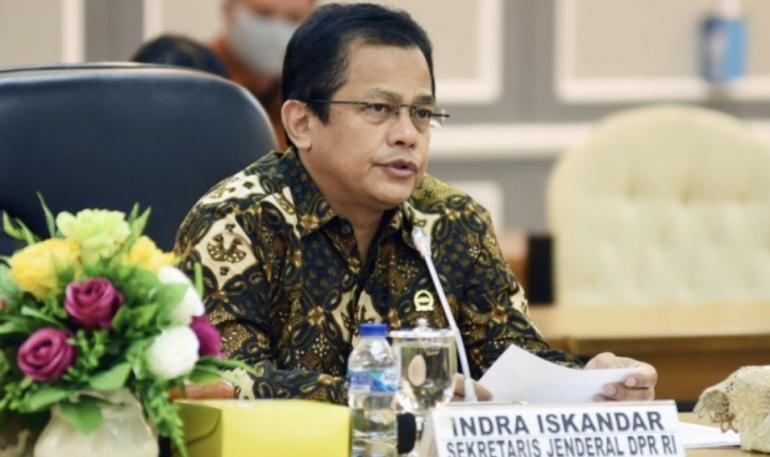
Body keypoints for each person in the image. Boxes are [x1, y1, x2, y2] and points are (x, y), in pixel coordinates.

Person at [174, 3, 657, 404]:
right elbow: (223, 381)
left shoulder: (452, 220)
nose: (407, 134)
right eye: (378, 109)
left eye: (422, 113)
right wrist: (386, 393)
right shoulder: (238, 222)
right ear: (301, 123)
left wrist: (592, 383)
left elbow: (510, 361)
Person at [133, 0, 316, 149]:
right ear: (228, 8)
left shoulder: (308, 100)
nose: (276, 30)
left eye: (293, 18)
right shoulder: (186, 78)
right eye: (263, 14)